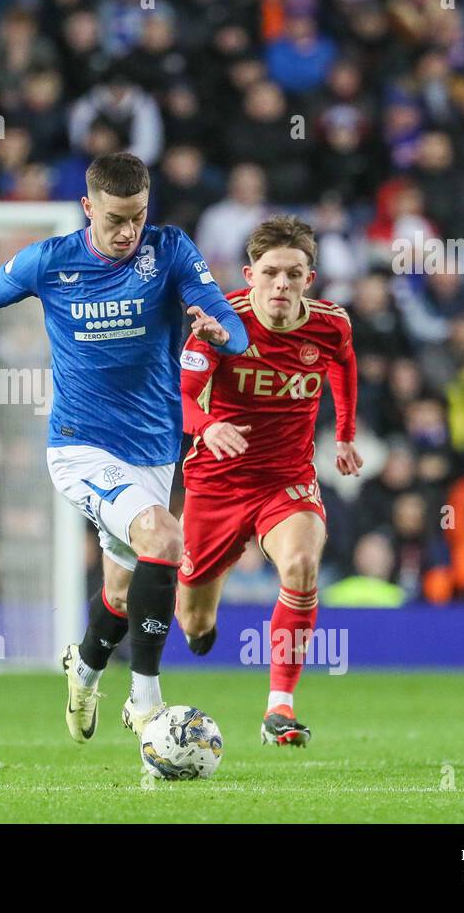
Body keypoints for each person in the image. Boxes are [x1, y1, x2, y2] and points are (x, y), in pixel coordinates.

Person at [0, 151, 248, 742]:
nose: (129, 232)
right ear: (87, 208)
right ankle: (147, 703)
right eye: (114, 220)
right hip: (80, 448)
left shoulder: (171, 249)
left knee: (121, 590)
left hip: (154, 450)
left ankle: (84, 666)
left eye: (137, 217)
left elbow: (231, 325)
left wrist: (218, 334)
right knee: (163, 535)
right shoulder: (50, 261)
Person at [174, 215, 361, 746]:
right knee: (192, 621)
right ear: (249, 273)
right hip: (216, 483)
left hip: (287, 479)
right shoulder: (218, 323)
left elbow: (344, 365)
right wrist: (209, 428)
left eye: (295, 274)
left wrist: (344, 435)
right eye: (272, 273)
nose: (282, 284)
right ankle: (200, 623)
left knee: (302, 565)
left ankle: (279, 706)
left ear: (310, 278)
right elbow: (181, 400)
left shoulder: (331, 324)